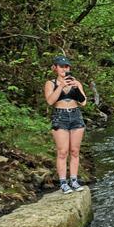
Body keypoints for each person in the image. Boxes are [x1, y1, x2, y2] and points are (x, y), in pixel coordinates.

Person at [43, 54, 87, 193]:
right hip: (60, 116)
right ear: (54, 68)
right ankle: (63, 182)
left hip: (76, 116)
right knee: (62, 152)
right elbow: (50, 101)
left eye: (66, 66)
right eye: (61, 66)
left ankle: (74, 180)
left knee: (75, 151)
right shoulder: (50, 83)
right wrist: (61, 86)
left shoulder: (76, 82)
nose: (64, 69)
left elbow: (83, 102)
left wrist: (76, 87)